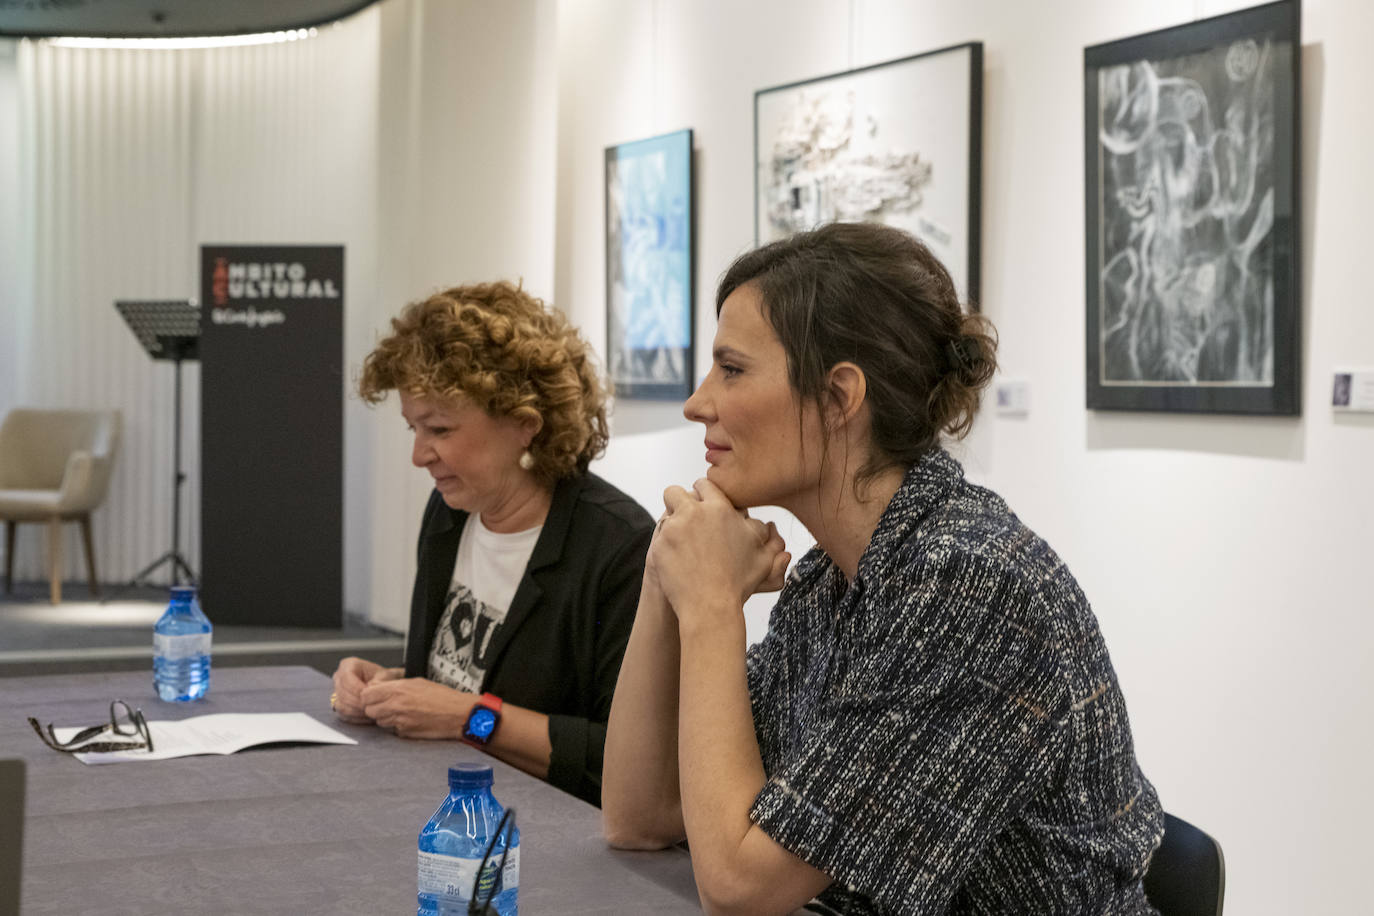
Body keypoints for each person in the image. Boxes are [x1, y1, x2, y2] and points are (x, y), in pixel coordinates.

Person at [602, 222, 1163, 914]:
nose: (698, 403)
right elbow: (639, 815)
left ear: (840, 398)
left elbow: (741, 890)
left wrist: (713, 604)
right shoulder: (833, 584)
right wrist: (668, 574)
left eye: (732, 369)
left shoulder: (972, 590)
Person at [333, 281, 653, 807]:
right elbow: (471, 679)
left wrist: (468, 719)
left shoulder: (619, 550)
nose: (419, 455)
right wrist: (389, 688)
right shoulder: (451, 513)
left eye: (438, 429)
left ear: (525, 424)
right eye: (413, 427)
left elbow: (623, 760)